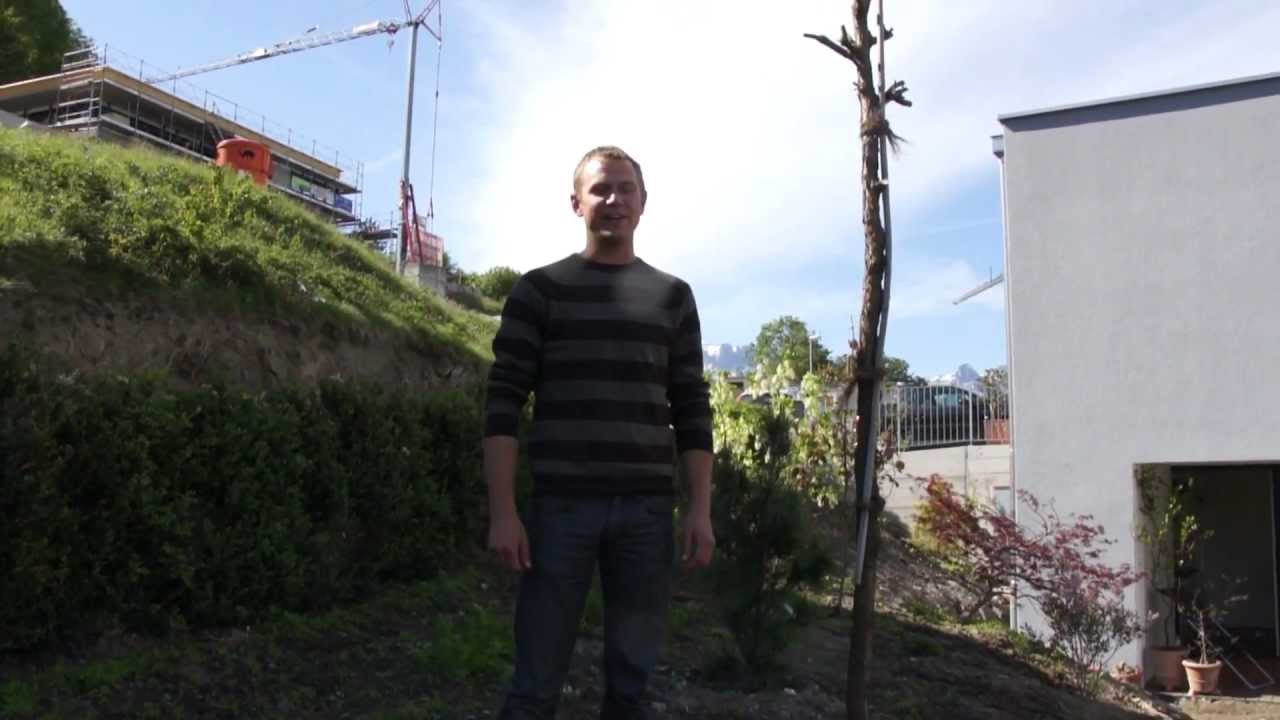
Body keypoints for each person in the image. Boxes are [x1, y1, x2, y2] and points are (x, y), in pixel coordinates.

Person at [483, 145, 715, 720]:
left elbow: (691, 408)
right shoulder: (539, 291)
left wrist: (700, 509)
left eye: (625, 189)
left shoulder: (673, 297)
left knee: (631, 687)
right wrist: (503, 512)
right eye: (600, 190)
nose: (613, 201)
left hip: (645, 515)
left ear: (643, 203)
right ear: (575, 203)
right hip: (560, 512)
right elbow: (503, 403)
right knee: (535, 680)